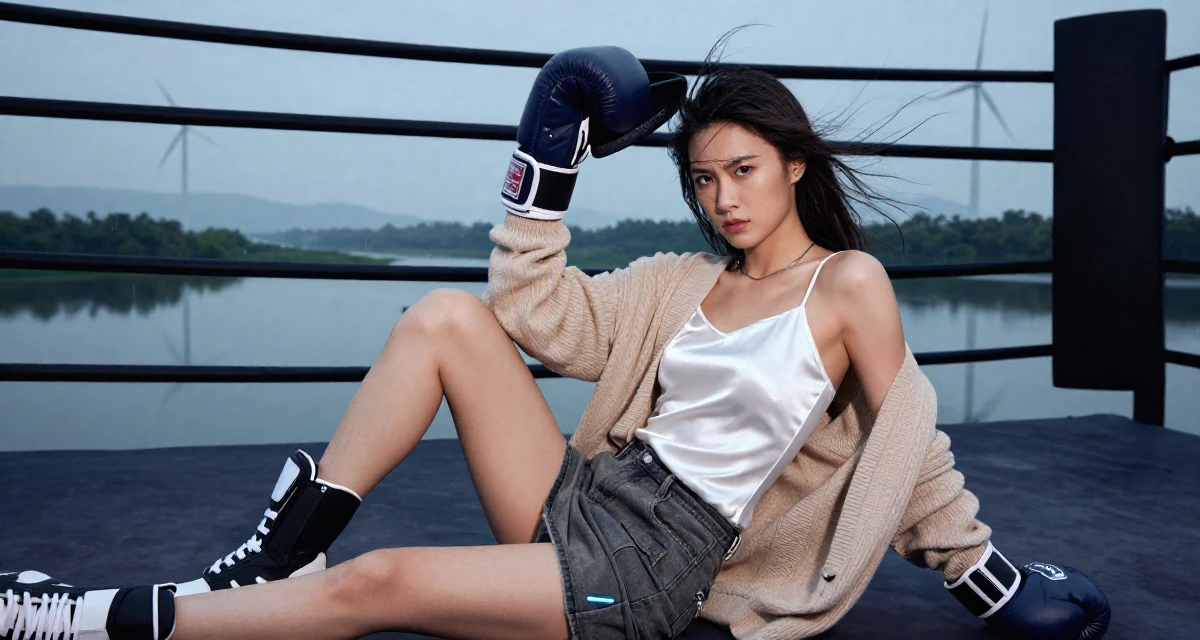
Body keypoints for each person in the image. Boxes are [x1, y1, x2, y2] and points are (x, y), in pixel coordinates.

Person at [2, 45, 1111, 640]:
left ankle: (85, 618)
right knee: (444, 315)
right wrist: (546, 162)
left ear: (795, 166)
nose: (723, 198)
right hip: (589, 494)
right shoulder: (682, 282)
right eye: (703, 178)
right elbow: (534, 314)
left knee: (379, 581)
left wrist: (984, 575)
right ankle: (277, 558)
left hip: (652, 565)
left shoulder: (848, 285)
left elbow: (905, 436)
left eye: (743, 170)